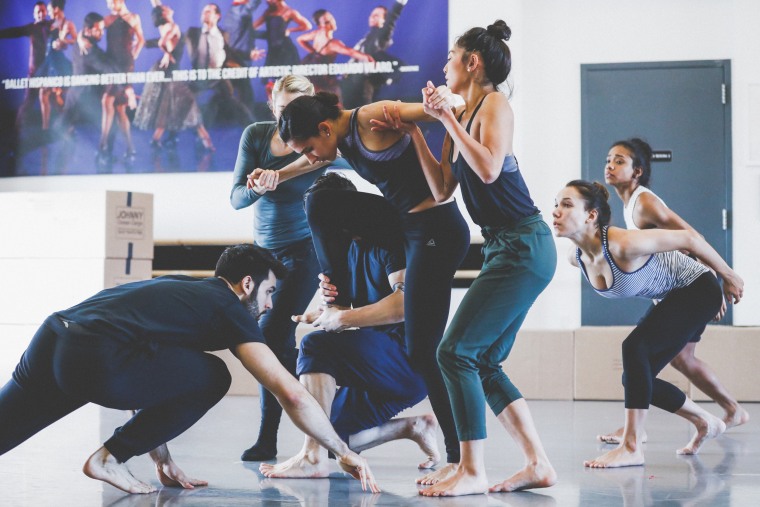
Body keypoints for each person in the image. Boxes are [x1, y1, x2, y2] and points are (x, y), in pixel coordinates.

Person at [0, 244, 379, 494]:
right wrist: (341, 450)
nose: (268, 305)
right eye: (269, 292)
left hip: (53, 339)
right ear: (247, 284)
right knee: (215, 375)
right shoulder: (229, 308)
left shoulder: (184, 293)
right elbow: (290, 391)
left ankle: (110, 457)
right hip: (95, 354)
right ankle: (106, 459)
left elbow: (151, 380)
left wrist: (161, 458)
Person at [371, 20, 557, 497]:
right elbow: (442, 188)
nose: (444, 65)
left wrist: (447, 119)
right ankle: (537, 463)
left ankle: (471, 469)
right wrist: (417, 131)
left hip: (524, 244)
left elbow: (491, 169)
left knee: (454, 353)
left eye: (450, 57)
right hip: (503, 246)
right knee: (485, 364)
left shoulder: (493, 104)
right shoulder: (461, 116)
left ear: (471, 63)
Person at [257, 89, 471, 479]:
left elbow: (446, 109)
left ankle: (458, 459)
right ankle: (336, 296)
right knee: (318, 202)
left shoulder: (372, 117)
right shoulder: (335, 139)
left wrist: (439, 107)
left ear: (324, 128)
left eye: (309, 147)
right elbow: (309, 163)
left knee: (425, 351)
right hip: (406, 222)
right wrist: (277, 175)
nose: (314, 158)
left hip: (435, 230)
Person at [553, 180, 743, 468]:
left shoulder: (623, 242)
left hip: (697, 288)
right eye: (555, 204)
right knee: (635, 378)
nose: (556, 211)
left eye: (566, 205)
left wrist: (728, 277)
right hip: (672, 296)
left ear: (591, 216)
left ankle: (631, 446)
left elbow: (691, 240)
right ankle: (706, 421)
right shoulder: (576, 257)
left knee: (634, 348)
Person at [261, 172, 440, 479]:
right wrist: (326, 312)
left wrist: (343, 318)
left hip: (408, 359)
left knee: (314, 346)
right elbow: (349, 317)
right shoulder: (346, 251)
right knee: (326, 428)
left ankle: (312, 458)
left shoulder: (388, 240)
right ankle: (414, 427)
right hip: (378, 361)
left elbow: (404, 305)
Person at [598, 137, 749, 444]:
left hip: (688, 287)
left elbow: (690, 236)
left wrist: (720, 278)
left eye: (620, 161)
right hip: (678, 290)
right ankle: (733, 410)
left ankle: (634, 431)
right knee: (682, 359)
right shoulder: (629, 205)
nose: (610, 166)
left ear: (637, 171)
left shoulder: (644, 202)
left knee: (639, 364)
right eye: (608, 160)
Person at [231, 74, 339, 461]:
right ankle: (319, 417)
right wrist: (258, 186)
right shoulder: (256, 136)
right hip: (264, 256)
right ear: (272, 107)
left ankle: (281, 433)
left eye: (296, 113)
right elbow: (236, 199)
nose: (287, 123)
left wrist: (286, 171)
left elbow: (338, 155)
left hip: (304, 249)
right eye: (281, 112)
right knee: (272, 343)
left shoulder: (319, 139)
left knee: (270, 333)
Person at [133, 1, 214, 151]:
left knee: (166, 106)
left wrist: (166, 52)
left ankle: (156, 139)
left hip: (164, 71)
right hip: (168, 72)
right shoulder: (172, 26)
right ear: (164, 14)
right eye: (166, 8)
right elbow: (163, 42)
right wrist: (167, 53)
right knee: (188, 102)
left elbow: (157, 8)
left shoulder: (163, 26)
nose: (169, 7)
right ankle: (205, 139)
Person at [185, 3, 253, 127]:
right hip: (200, 77)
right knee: (183, 101)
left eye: (208, 11)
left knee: (232, 101)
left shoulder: (223, 34)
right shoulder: (193, 32)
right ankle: (177, 137)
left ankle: (253, 128)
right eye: (203, 11)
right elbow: (175, 38)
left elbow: (231, 52)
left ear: (217, 16)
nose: (204, 13)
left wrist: (249, 55)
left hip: (218, 76)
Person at [99, 0, 144, 165]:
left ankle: (102, 145)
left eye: (112, 1)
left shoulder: (133, 17)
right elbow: (93, 31)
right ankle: (130, 147)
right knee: (119, 109)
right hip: (111, 65)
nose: (110, 5)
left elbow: (141, 40)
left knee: (108, 101)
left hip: (125, 65)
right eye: (108, 2)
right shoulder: (107, 19)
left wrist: (133, 56)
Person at [296, 9, 373, 102]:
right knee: (335, 101)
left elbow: (300, 39)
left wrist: (314, 52)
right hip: (322, 79)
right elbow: (350, 52)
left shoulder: (317, 33)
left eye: (331, 18)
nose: (331, 23)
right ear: (320, 25)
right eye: (327, 22)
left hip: (313, 75)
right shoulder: (333, 44)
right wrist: (366, 57)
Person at [342, 0, 408, 108]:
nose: (373, 17)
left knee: (362, 115)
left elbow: (391, 18)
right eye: (372, 15)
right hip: (349, 84)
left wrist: (399, 3)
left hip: (362, 86)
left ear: (384, 20)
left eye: (377, 15)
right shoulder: (367, 37)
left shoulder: (381, 35)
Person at [0, 2, 52, 129]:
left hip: (49, 71)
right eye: (38, 11)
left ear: (46, 12)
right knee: (28, 103)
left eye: (43, 11)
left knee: (54, 100)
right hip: (34, 72)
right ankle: (16, 132)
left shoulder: (51, 26)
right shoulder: (31, 28)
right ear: (34, 14)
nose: (41, 13)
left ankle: (49, 130)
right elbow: (14, 32)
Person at [252, 0, 310, 97]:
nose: (268, 1)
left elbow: (307, 25)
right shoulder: (268, 11)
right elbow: (252, 27)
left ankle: (293, 108)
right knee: (270, 84)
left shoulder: (290, 11)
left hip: (286, 51)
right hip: (273, 52)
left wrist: (289, 30)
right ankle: (275, 109)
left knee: (289, 84)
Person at [34, 0, 76, 135]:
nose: (48, 12)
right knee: (44, 94)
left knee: (58, 97)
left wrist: (64, 41)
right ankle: (45, 128)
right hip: (48, 62)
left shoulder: (67, 23)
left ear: (57, 9)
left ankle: (68, 127)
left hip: (58, 63)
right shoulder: (50, 23)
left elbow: (76, 40)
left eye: (50, 9)